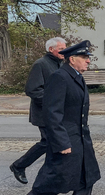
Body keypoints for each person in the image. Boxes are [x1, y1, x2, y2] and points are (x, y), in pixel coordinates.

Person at [9, 41, 105, 195]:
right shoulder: (60, 77)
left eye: (88, 57)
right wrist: (61, 142)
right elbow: (52, 113)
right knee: (56, 179)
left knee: (88, 175)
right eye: (84, 58)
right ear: (72, 59)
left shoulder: (75, 76)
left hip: (80, 137)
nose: (88, 61)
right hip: (66, 138)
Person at [10, 37, 66, 184]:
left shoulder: (60, 64)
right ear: (51, 49)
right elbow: (32, 90)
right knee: (49, 142)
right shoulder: (41, 64)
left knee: (56, 143)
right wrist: (52, 103)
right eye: (61, 48)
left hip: (56, 113)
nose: (64, 51)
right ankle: (19, 166)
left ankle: (55, 174)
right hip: (44, 113)